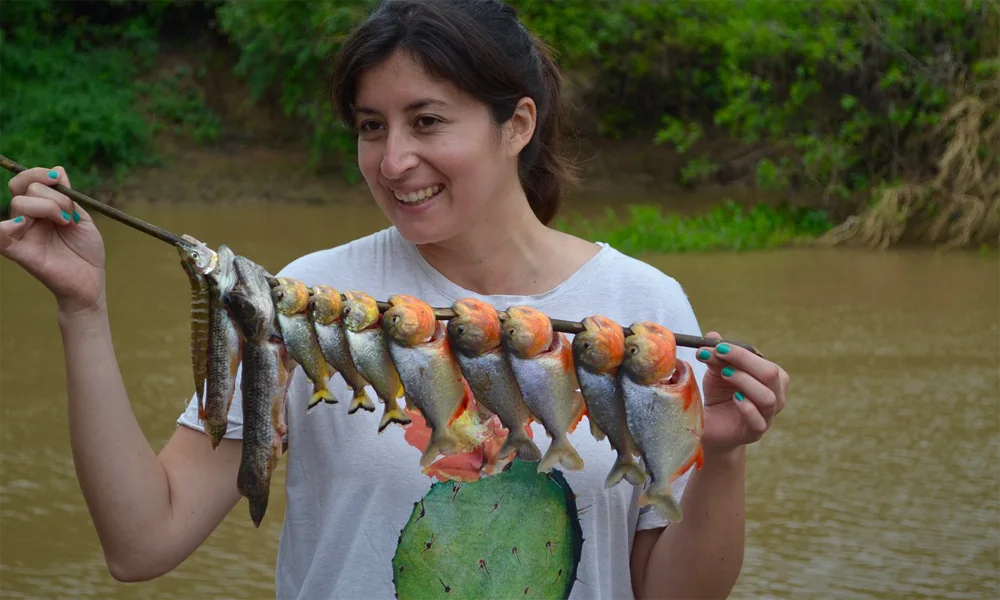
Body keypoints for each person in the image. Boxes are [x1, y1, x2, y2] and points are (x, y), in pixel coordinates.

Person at [0, 0, 790, 597]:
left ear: (517, 124)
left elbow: (673, 591)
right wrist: (83, 309)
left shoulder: (639, 302)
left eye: (428, 121)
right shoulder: (303, 301)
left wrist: (721, 457)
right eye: (371, 126)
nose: (394, 159)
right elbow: (143, 541)